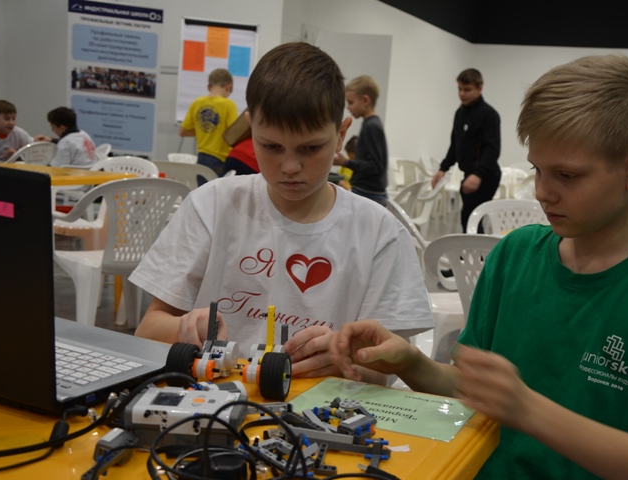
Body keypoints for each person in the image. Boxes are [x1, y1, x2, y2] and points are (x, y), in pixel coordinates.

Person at [309, 55, 628, 480]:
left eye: (567, 176)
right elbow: (478, 392)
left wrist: (529, 410)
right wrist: (409, 363)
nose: (542, 191)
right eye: (538, 170)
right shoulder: (514, 256)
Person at [129, 42, 433, 384]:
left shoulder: (379, 232)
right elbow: (147, 330)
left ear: (340, 135)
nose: (290, 166)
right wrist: (183, 326)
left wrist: (344, 362)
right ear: (250, 129)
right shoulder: (210, 205)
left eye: (311, 148)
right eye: (271, 146)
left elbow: (389, 369)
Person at [431, 68, 501, 232]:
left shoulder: (489, 114)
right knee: (468, 219)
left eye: (467, 90)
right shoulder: (460, 113)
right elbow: (455, 145)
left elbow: (492, 149)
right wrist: (443, 168)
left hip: (487, 176)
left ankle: (477, 249)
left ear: (480, 88)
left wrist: (478, 175)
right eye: (460, 89)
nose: (462, 94)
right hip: (469, 174)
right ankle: (473, 248)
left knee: (471, 218)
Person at [333, 76, 388, 205]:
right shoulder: (371, 124)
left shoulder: (371, 126)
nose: (348, 107)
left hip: (368, 193)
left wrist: (346, 162)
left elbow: (376, 166)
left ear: (365, 100)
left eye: (351, 102)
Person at [180, 68, 238, 176]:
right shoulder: (229, 105)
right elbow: (235, 133)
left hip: (201, 158)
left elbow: (183, 132)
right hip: (219, 160)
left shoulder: (197, 103)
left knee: (203, 186)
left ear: (209, 87)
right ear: (228, 87)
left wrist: (202, 130)